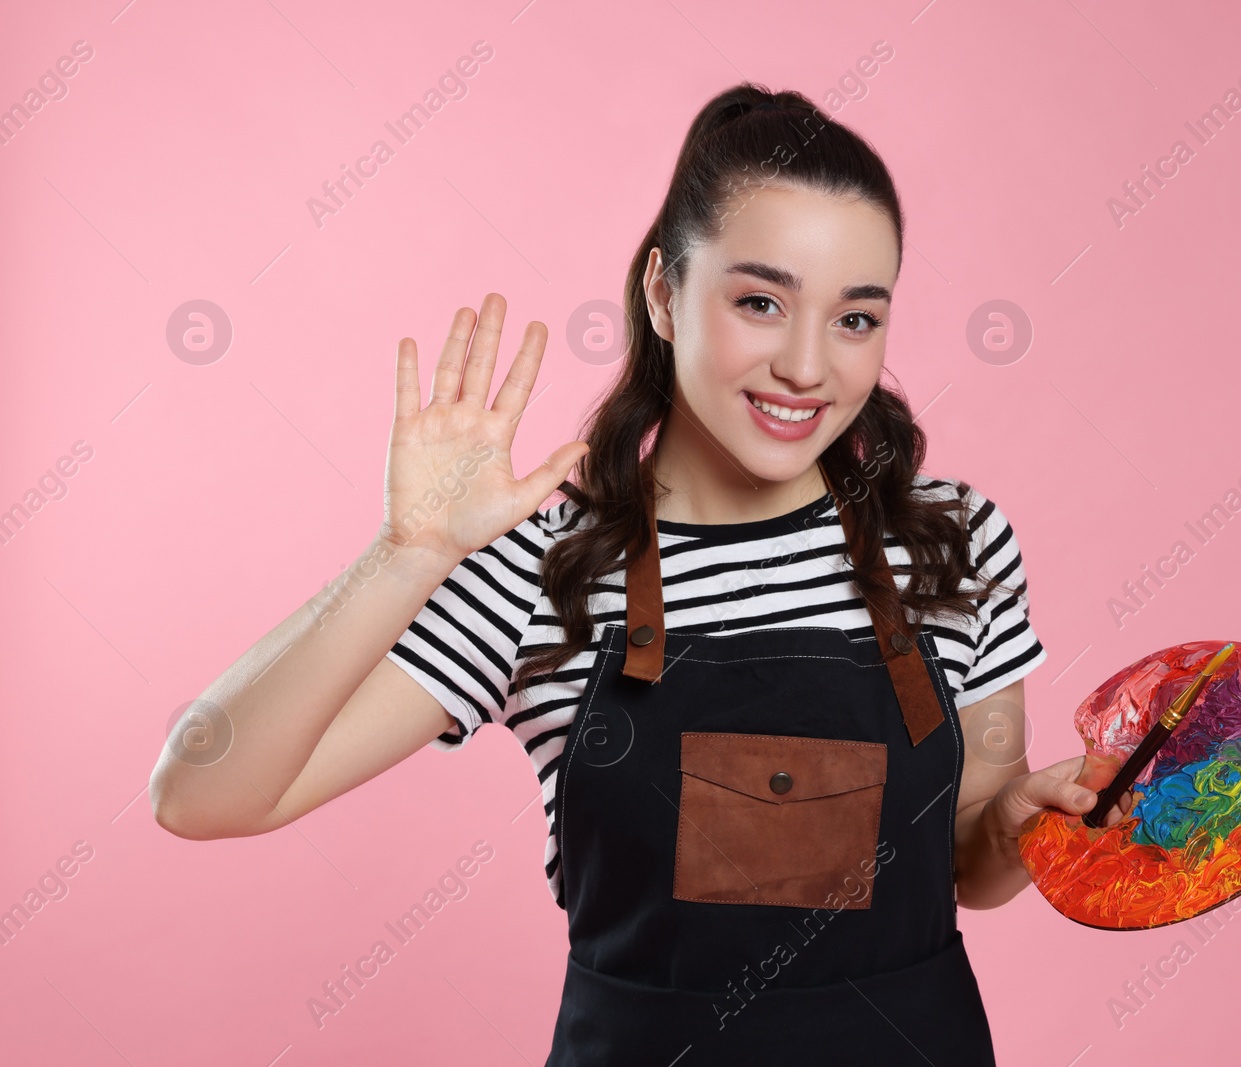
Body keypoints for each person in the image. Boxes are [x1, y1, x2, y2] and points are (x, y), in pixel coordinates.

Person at [150, 82, 1131, 1065]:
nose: (805, 365)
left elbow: (967, 864)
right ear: (663, 292)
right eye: (759, 301)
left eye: (854, 319)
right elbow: (202, 791)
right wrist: (405, 552)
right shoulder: (546, 571)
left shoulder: (956, 543)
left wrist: (1012, 825)